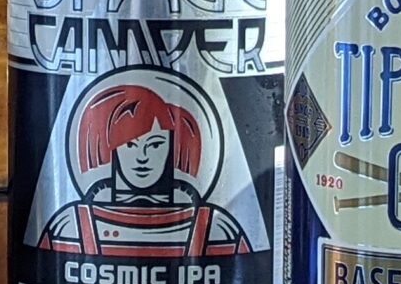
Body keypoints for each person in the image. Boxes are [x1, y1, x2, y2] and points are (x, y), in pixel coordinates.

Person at [39, 82, 250, 262]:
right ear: (111, 148)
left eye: (156, 144)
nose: (142, 157)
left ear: (173, 147)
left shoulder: (217, 228)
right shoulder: (70, 226)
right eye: (130, 145)